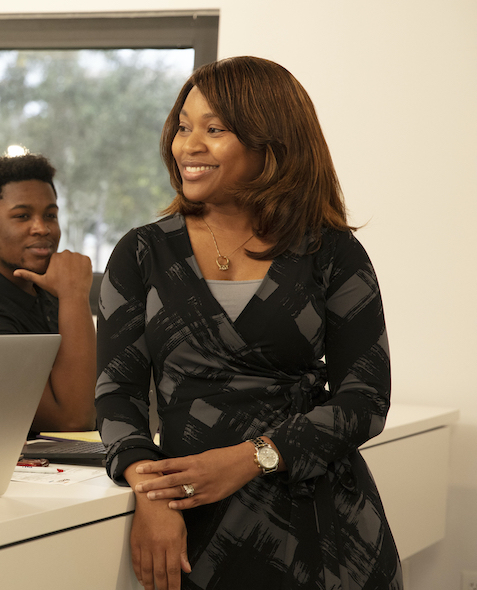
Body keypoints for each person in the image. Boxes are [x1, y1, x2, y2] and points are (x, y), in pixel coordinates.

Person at [95, 56, 401, 590]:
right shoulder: (142, 253)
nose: (188, 146)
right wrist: (149, 487)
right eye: (183, 127)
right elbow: (116, 393)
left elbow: (366, 399)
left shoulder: (332, 253)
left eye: (214, 130)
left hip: (320, 525)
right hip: (196, 524)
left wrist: (253, 457)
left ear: (270, 144)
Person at [0, 154, 96, 431]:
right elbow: (73, 419)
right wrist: (74, 294)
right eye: (22, 216)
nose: (42, 228)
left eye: (50, 215)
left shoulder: (43, 288)